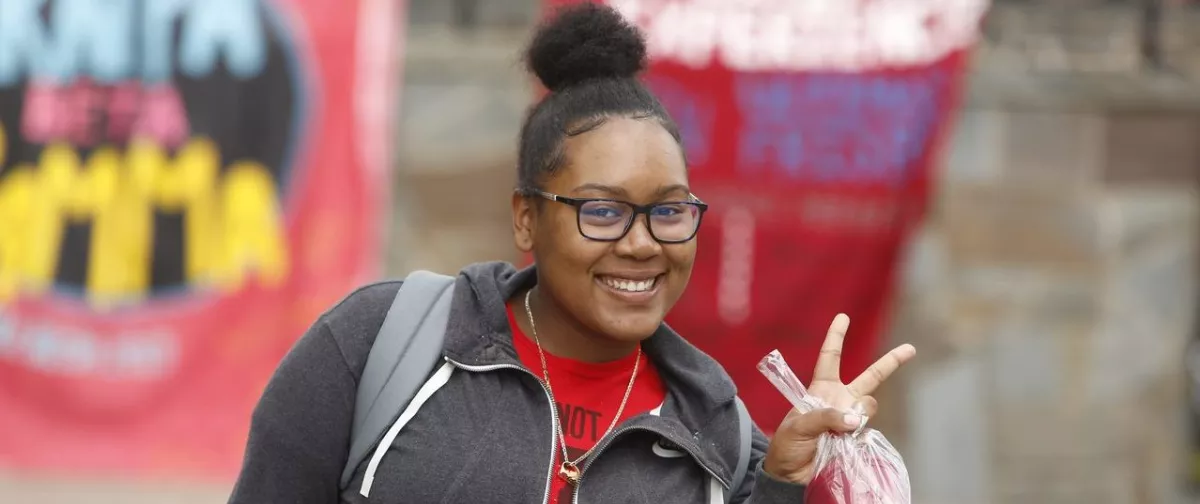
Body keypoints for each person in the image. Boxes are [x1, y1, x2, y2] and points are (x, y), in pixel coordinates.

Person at [227, 3, 916, 504]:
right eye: (604, 211)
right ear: (526, 218)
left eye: (669, 210)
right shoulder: (379, 347)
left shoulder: (718, 436)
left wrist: (786, 479)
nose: (643, 243)